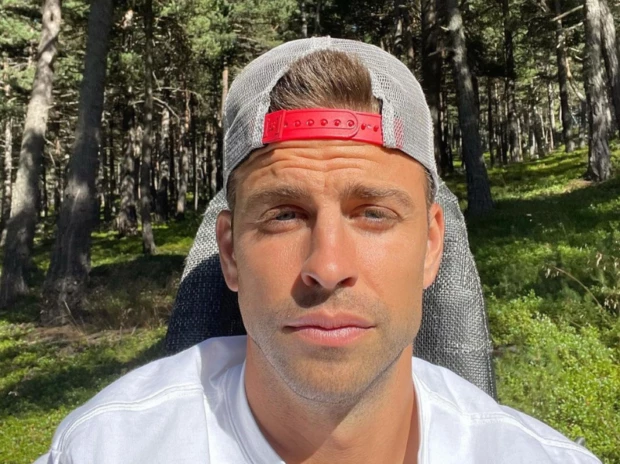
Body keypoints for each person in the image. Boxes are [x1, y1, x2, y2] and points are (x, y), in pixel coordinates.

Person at [36, 37, 600, 464]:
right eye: (284, 214)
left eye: (373, 214)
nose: (328, 268)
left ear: (432, 245)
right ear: (229, 252)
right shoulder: (104, 449)